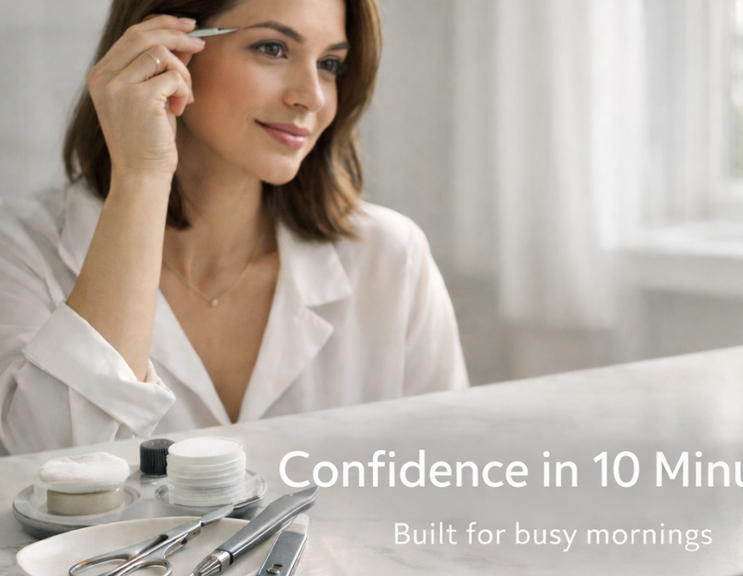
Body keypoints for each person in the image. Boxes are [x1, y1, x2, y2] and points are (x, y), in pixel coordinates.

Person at [0, 0, 468, 456]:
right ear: (163, 47)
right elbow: (45, 472)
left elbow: (449, 481)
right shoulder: (21, 251)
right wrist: (142, 174)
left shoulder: (391, 258)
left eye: (329, 64)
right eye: (273, 49)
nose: (313, 96)